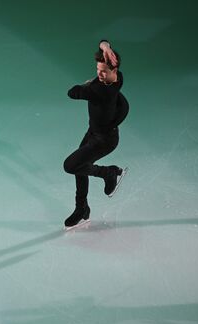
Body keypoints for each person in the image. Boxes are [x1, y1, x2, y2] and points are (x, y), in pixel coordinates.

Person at [63, 40, 130, 230]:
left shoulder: (99, 90)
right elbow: (125, 106)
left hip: (105, 141)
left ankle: (109, 172)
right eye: (98, 70)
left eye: (103, 71)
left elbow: (72, 93)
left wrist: (86, 86)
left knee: (71, 165)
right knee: (79, 168)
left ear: (113, 70)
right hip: (93, 134)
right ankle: (82, 209)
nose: (99, 75)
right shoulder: (118, 79)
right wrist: (106, 48)